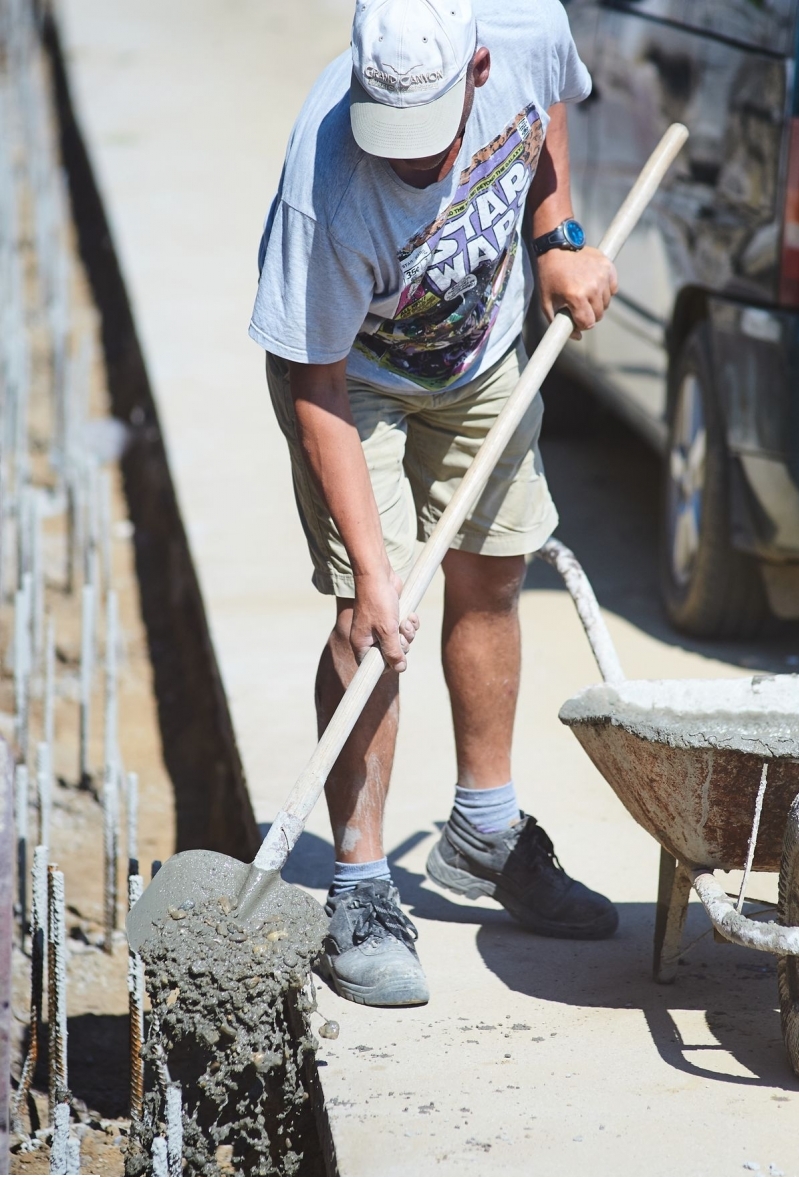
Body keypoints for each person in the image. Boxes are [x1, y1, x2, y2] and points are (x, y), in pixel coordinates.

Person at [250, 0, 619, 1009]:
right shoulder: (323, 191)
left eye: (430, 136)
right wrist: (374, 573)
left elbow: (545, 109)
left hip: (479, 351)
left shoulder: (524, 31)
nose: (410, 162)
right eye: (392, 137)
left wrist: (556, 238)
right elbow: (317, 386)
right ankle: (360, 884)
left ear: (477, 68)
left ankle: (483, 832)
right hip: (353, 382)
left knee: (493, 574)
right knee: (369, 624)